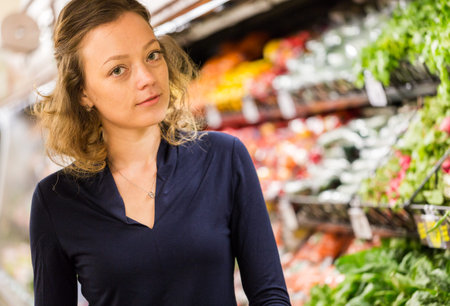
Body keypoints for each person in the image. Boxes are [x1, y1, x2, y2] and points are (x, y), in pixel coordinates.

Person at [29, 0, 290, 305]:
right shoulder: (56, 200)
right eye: (118, 70)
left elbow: (270, 295)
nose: (147, 78)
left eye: (152, 55)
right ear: (82, 92)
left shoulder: (223, 157)